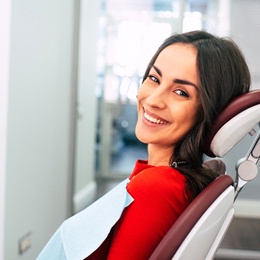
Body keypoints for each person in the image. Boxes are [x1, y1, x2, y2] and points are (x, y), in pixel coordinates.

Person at [37, 30, 251, 260]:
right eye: (154, 79)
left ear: (211, 111)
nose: (153, 100)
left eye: (181, 92)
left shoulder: (157, 188)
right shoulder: (166, 179)